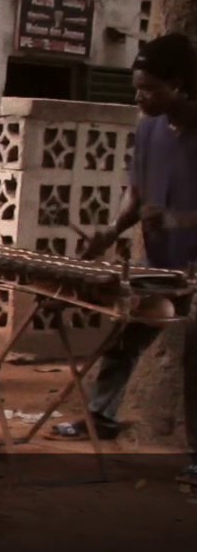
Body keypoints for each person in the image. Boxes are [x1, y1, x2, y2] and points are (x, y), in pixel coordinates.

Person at [73, 32, 197, 487]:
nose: (140, 97)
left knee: (196, 358)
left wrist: (178, 219)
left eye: (149, 89)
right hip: (161, 261)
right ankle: (101, 413)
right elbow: (136, 191)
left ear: (180, 85)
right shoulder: (147, 129)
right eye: (137, 87)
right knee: (128, 332)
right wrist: (110, 231)